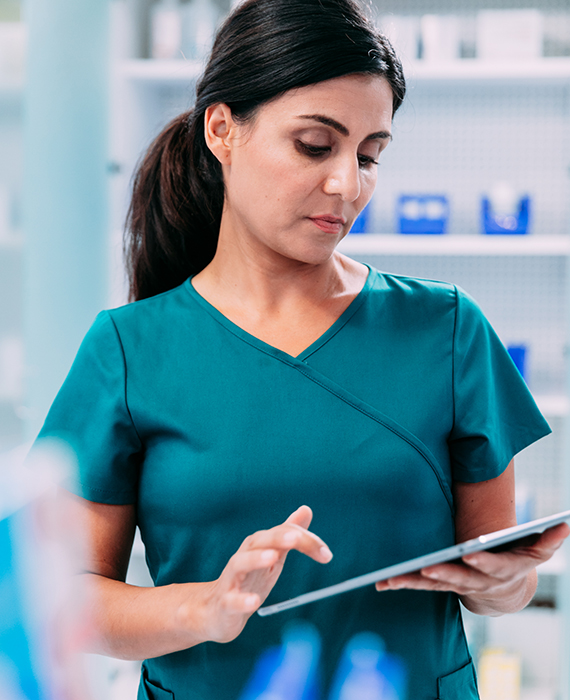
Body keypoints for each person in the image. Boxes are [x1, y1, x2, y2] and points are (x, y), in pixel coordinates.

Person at [34, 0, 569, 698]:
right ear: (222, 129)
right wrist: (207, 606)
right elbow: (61, 600)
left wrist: (507, 582)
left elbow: (497, 583)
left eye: (370, 155)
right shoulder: (128, 351)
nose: (348, 185)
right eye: (316, 145)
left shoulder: (446, 328)